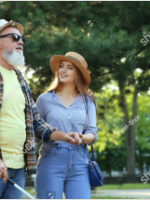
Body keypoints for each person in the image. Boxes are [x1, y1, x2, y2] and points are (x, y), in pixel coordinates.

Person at [0, 19, 83, 199]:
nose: (21, 42)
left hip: (18, 167)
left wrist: (63, 136)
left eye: (21, 38)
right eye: (15, 37)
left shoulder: (20, 78)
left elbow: (35, 122)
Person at [35, 52, 98, 199]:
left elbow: (92, 133)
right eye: (61, 67)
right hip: (51, 160)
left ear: (78, 74)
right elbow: (35, 133)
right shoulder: (44, 100)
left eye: (69, 67)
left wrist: (81, 137)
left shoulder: (87, 101)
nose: (63, 70)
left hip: (80, 162)